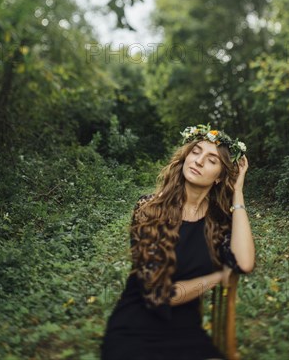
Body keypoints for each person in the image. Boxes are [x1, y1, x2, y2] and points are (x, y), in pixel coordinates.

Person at [100, 124, 255, 360]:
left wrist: (238, 193)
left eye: (212, 160)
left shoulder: (219, 221)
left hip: (185, 330)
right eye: (196, 151)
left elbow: (244, 263)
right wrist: (215, 278)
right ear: (185, 156)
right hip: (135, 327)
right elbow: (160, 296)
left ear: (220, 177)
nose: (199, 161)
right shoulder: (149, 209)